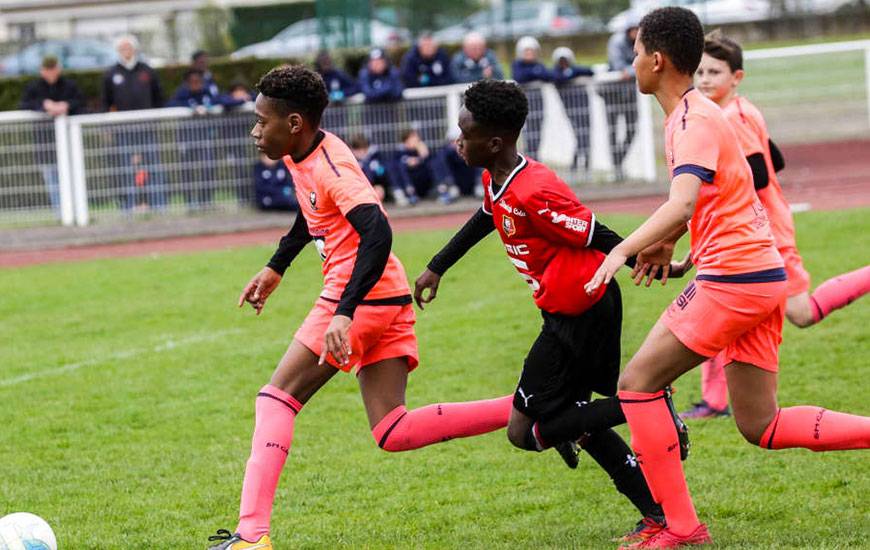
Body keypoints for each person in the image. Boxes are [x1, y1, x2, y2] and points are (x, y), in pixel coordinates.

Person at [582, 8, 870, 547]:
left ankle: (681, 528)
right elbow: (725, 198)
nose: (632, 63)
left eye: (636, 51)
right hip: (758, 273)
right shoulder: (695, 113)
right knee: (761, 424)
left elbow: (684, 199)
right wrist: (678, 249)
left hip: (736, 277)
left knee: (637, 385)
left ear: (657, 59)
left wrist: (622, 249)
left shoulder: (692, 120)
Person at [206, 65, 513, 550]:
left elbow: (378, 230)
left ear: (293, 124)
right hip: (383, 294)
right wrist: (276, 266)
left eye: (261, 121)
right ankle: (530, 407)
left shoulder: (332, 167)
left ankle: (251, 535)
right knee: (393, 428)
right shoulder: (305, 153)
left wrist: (345, 311)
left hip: (362, 296)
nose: (254, 130)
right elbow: (313, 212)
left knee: (276, 398)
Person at [414, 79, 670, 545]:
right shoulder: (498, 177)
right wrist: (438, 266)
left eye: (462, 133)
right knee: (574, 419)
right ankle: (657, 511)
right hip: (564, 311)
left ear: (493, 142)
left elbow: (598, 233)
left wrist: (653, 262)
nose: (456, 141)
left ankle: (647, 404)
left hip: (583, 313)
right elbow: (487, 216)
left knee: (525, 431)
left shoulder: (535, 191)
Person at [680, 31, 870, 419]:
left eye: (714, 71)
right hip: (751, 232)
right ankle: (714, 401)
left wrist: (706, 178)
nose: (704, 79)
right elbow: (775, 159)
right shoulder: (738, 111)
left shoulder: (732, 116)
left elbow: (761, 175)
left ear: (737, 77)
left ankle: (715, 401)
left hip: (764, 235)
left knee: (800, 313)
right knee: (715, 302)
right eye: (699, 71)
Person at [102, 35, 166, 211]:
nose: (126, 51)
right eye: (122, 48)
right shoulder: (111, 74)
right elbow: (106, 103)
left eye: (128, 47)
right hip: (123, 131)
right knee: (125, 169)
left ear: (134, 49)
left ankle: (159, 206)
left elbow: (158, 97)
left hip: (147, 128)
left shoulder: (147, 70)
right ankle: (128, 208)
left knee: (153, 167)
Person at [168, 68, 246, 210]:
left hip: (205, 139)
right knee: (187, 170)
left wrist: (241, 100)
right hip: (187, 139)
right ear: (187, 83)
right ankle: (189, 203)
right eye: (192, 82)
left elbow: (224, 100)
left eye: (199, 81)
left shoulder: (207, 93)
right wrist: (192, 108)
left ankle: (206, 201)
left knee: (208, 168)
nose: (196, 84)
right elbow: (170, 105)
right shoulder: (182, 94)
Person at [19, 55, 84, 217]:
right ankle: (60, 214)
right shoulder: (34, 87)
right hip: (45, 143)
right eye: (47, 69)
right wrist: (44, 105)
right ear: (42, 71)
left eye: (53, 69)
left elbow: (81, 103)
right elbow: (24, 104)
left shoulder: (69, 86)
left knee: (71, 178)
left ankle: (75, 212)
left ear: (58, 68)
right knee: (52, 181)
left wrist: (66, 106)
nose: (51, 73)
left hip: (69, 143)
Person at [603, 18, 640, 180]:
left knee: (632, 129)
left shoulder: (641, 42)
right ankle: (616, 167)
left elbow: (642, 64)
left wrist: (632, 71)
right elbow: (619, 67)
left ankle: (619, 160)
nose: (636, 33)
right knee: (613, 131)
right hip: (613, 93)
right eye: (633, 29)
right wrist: (635, 70)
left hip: (630, 94)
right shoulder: (616, 42)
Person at [552, 47, 594, 174]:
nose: (564, 63)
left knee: (585, 137)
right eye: (561, 61)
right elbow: (558, 78)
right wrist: (568, 74)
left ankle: (583, 165)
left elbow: (589, 71)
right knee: (581, 137)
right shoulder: (556, 74)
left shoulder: (575, 70)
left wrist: (570, 72)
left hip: (584, 108)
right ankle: (576, 165)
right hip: (571, 110)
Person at [511, 36, 551, 160]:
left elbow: (547, 75)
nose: (529, 54)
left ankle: (535, 156)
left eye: (532, 51)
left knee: (538, 131)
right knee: (527, 132)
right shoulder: (517, 64)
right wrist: (535, 73)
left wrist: (534, 73)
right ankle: (527, 156)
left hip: (538, 103)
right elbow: (520, 76)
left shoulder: (539, 64)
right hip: (524, 103)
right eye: (526, 51)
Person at [394, 128, 459, 205]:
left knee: (434, 162)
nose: (417, 139)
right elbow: (401, 162)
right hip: (412, 183)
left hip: (425, 182)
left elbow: (429, 162)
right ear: (406, 141)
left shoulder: (420, 149)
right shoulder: (400, 152)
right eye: (413, 137)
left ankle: (444, 190)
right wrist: (409, 161)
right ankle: (406, 194)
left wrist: (423, 155)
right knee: (400, 166)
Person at [358, 48, 403, 146]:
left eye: (379, 61)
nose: (377, 64)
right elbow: (368, 93)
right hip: (371, 118)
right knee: (373, 145)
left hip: (390, 117)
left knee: (391, 144)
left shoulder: (392, 72)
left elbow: (398, 93)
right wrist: (386, 90)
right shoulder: (365, 74)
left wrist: (378, 93)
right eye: (373, 62)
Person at [314, 51, 359, 137]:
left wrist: (342, 94)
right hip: (323, 114)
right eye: (323, 62)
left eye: (327, 61)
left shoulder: (338, 74)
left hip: (339, 113)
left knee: (340, 135)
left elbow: (355, 87)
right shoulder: (315, 76)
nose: (326, 64)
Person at [349, 134, 396, 203]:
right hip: (358, 189)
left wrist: (377, 169)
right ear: (353, 150)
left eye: (364, 150)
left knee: (379, 190)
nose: (361, 153)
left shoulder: (374, 159)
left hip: (373, 186)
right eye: (358, 150)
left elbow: (382, 173)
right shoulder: (351, 161)